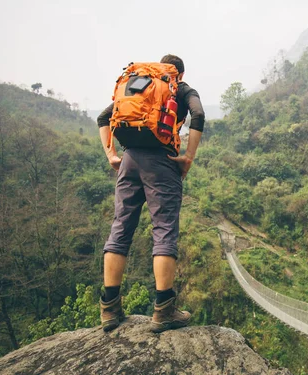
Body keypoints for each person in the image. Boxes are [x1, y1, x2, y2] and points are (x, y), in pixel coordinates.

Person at [96, 54, 205, 333]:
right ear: (178, 72)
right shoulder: (179, 87)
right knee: (164, 230)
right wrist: (189, 158)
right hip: (162, 162)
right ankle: (163, 310)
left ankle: (109, 309)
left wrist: (111, 154)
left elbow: (103, 117)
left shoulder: (139, 84)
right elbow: (199, 114)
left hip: (129, 160)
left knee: (120, 228)